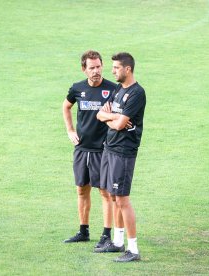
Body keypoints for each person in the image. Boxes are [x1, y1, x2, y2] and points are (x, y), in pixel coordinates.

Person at [62, 50, 124, 253]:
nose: (96, 71)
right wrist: (70, 130)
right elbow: (66, 107)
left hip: (103, 150)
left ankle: (106, 235)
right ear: (84, 69)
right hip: (81, 149)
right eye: (92, 68)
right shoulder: (77, 88)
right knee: (81, 189)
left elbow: (120, 118)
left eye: (99, 66)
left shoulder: (113, 90)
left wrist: (107, 116)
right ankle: (83, 231)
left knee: (105, 193)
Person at [96, 52, 146, 262]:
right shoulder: (118, 89)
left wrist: (112, 118)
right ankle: (117, 242)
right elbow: (101, 114)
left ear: (128, 69)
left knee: (122, 199)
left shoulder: (136, 93)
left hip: (124, 152)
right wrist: (114, 117)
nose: (113, 71)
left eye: (116, 68)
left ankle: (133, 249)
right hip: (110, 148)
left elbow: (118, 124)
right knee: (113, 196)